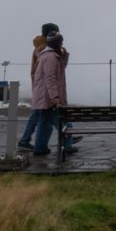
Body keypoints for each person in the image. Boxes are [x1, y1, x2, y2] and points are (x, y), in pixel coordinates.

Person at [26, 26, 76, 157]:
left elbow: (60, 69)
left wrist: (64, 57)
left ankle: (40, 148)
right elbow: (50, 78)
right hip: (48, 96)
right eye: (61, 42)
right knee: (64, 120)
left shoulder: (51, 55)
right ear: (56, 43)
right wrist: (55, 96)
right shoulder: (50, 57)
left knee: (45, 122)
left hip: (44, 95)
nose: (62, 44)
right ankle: (69, 146)